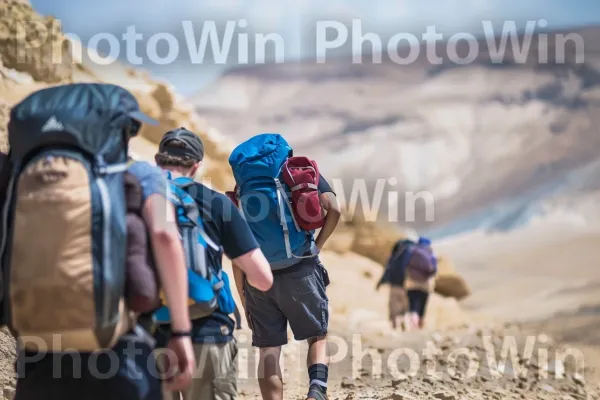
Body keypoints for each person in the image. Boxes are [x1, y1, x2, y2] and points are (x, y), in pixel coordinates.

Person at [11, 84, 196, 400]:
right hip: (118, 353)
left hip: (37, 352)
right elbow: (165, 235)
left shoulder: (20, 176)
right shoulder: (141, 174)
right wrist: (180, 330)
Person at [153, 127, 273, 400]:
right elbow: (262, 278)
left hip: (150, 337)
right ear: (196, 166)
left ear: (158, 161)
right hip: (207, 332)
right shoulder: (216, 204)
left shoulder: (136, 199)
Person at [229, 133, 341, 400]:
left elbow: (237, 250)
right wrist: (318, 245)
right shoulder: (299, 174)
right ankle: (317, 390)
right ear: (284, 153)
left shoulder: (242, 189)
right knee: (317, 335)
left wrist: (243, 294)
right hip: (300, 267)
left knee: (269, 350)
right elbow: (335, 209)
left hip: (259, 278)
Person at [377, 237, 437, 331]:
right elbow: (434, 270)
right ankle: (415, 328)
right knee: (413, 309)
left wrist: (380, 283)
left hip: (404, 285)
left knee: (397, 309)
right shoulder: (425, 253)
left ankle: (397, 328)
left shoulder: (398, 255)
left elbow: (389, 270)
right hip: (418, 285)